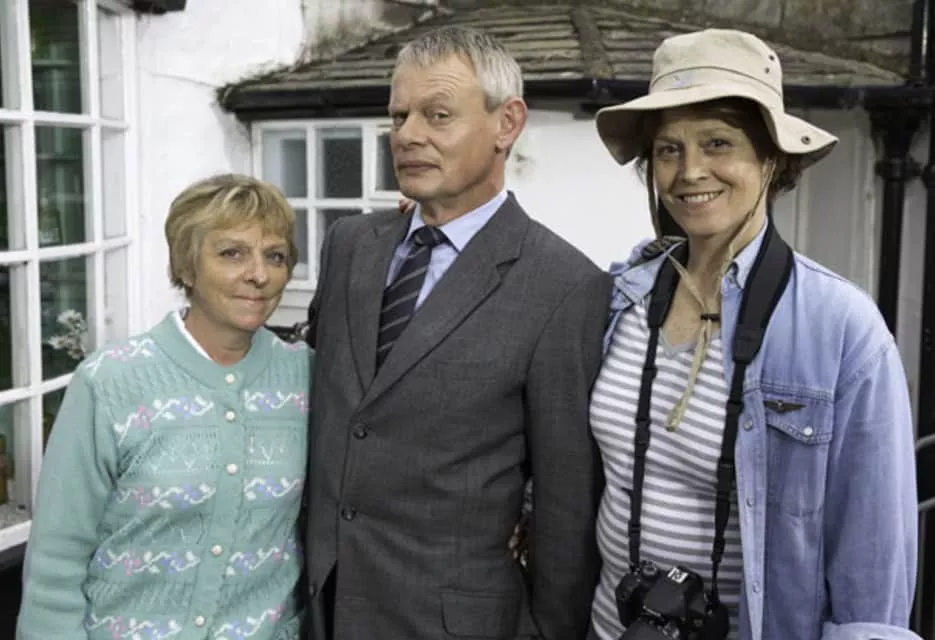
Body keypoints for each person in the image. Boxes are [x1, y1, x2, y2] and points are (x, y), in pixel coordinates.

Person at [588, 29, 919, 639]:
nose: (690, 171)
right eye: (668, 149)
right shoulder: (621, 297)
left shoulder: (843, 330)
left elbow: (873, 579)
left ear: (771, 158)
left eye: (718, 143)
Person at [303, 25, 610, 640]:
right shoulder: (348, 246)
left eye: (438, 115)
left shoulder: (565, 286)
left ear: (507, 123)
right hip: (322, 608)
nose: (407, 134)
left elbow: (566, 502)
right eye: (399, 116)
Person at [16, 174, 312, 640]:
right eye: (232, 253)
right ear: (187, 267)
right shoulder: (112, 381)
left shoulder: (307, 377)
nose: (259, 274)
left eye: (274, 256)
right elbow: (57, 559)